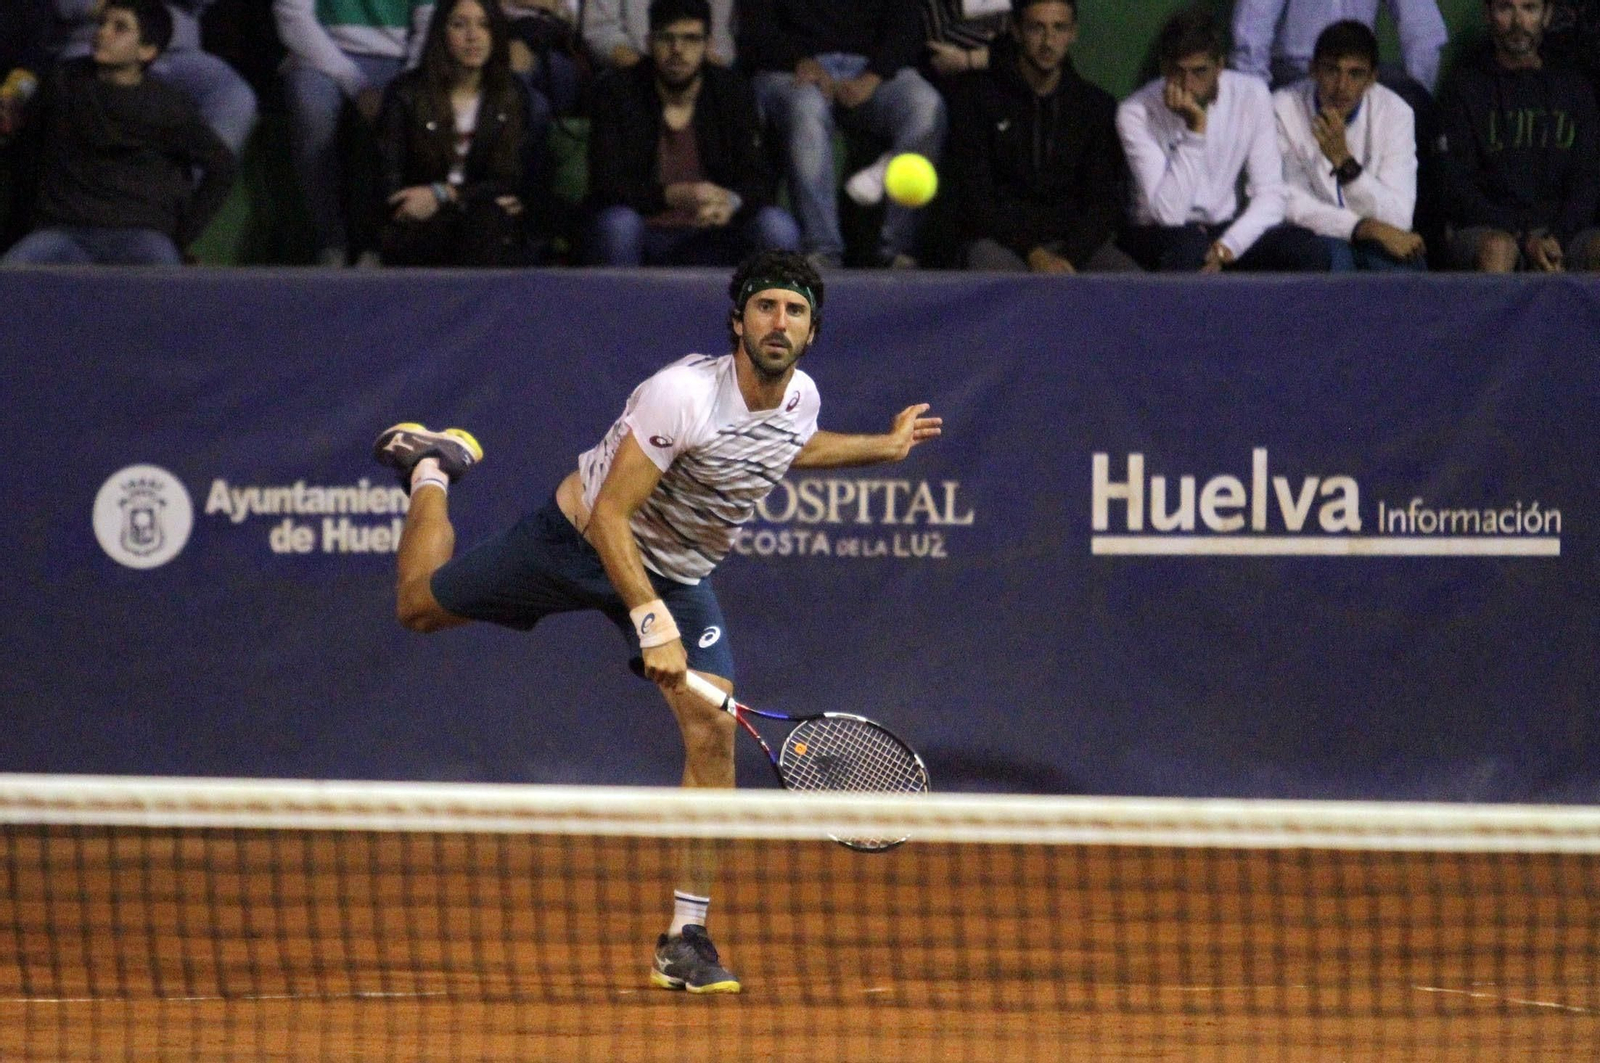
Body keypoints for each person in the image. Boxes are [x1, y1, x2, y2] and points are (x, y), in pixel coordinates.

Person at [371, 250, 941, 993]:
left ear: (811, 331)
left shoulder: (799, 398)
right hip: (577, 541)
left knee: (711, 731)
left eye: (794, 311)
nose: (779, 321)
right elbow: (612, 512)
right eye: (765, 306)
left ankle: (686, 934)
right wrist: (648, 619)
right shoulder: (682, 396)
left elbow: (788, 448)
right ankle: (431, 468)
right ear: (738, 321)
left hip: (680, 574)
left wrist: (882, 447)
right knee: (418, 607)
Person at [2, 0, 236, 265]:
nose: (103, 33)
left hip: (140, 236)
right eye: (102, 24)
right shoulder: (64, 83)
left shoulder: (167, 107)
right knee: (10, 280)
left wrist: (181, 237)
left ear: (147, 51)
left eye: (120, 28)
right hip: (63, 232)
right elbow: (29, 149)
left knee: (168, 293)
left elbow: (222, 166)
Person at [586, 0, 799, 266]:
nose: (677, 50)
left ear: (708, 45)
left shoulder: (731, 91)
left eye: (690, 39)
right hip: (646, 230)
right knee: (617, 226)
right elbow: (605, 184)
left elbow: (759, 177)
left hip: (716, 232)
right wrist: (671, 195)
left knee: (777, 227)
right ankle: (620, 308)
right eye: (667, 38)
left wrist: (731, 202)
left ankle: (765, 306)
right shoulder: (618, 91)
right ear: (649, 42)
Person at [1116, 7, 1329, 271]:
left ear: (1219, 66)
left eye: (1199, 71)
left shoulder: (1251, 95)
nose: (1188, 84)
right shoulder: (1135, 112)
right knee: (1188, 249)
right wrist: (1195, 130)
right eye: (1178, 71)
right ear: (1163, 67)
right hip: (1156, 232)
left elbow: (1271, 195)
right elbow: (1168, 214)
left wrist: (1229, 245)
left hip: (1221, 229)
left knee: (1308, 249)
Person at [739, 0, 947, 268]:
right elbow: (755, 30)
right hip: (790, 69)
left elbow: (907, 27)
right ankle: (823, 251)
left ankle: (897, 252)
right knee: (807, 108)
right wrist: (799, 60)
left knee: (925, 104)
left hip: (871, 69)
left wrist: (874, 75)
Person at [945, 0, 1134, 272]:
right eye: (1037, 28)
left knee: (1131, 286)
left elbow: (1103, 203)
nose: (1048, 42)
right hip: (1002, 244)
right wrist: (1031, 252)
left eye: (1059, 28)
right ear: (1017, 31)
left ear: (1073, 33)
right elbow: (975, 199)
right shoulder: (978, 99)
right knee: (992, 272)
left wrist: (1070, 258)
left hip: (1074, 246)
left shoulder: (1095, 106)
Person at [1437, 0, 1600, 271]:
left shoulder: (1574, 89)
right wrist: (1523, 239)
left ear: (1547, 16)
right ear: (1488, 14)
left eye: (1529, 8)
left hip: (1562, 233)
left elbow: (1588, 181)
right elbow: (1457, 187)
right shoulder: (1463, 89)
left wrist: (1556, 238)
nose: (1518, 22)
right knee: (1497, 249)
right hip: (1490, 231)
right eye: (1505, 8)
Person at [273, 0, 433, 266]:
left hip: (398, 57)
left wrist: (407, 83)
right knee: (313, 112)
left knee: (405, 112)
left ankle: (378, 241)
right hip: (320, 52)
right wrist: (356, 84)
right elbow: (291, 15)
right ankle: (332, 239)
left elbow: (430, 22)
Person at [375, 0, 531, 266]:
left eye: (484, 25)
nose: (473, 36)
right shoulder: (406, 94)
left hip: (483, 223)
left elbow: (511, 181)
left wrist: (442, 194)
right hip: (420, 224)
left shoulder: (511, 94)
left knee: (485, 222)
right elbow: (390, 182)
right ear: (440, 33)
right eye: (460, 25)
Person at [1274, 20, 1425, 269]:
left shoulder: (1396, 113)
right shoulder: (1281, 108)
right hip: (1305, 236)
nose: (1342, 86)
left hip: (1374, 234)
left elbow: (1399, 216)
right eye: (1332, 70)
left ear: (1372, 78)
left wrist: (1346, 165)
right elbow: (1286, 202)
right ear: (1313, 70)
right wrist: (1360, 227)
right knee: (1334, 255)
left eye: (1355, 74)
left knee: (1405, 261)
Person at [50, 0, 258, 157]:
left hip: (177, 53)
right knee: (85, 85)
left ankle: (178, 201)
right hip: (96, 43)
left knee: (232, 92)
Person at [1230, 0, 1449, 94]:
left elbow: (1425, 34)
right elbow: (1251, 33)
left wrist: (1403, 108)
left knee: (1408, 97)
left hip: (1360, 76)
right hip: (1296, 74)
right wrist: (1256, 104)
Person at [583, 0, 736, 70]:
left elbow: (722, 42)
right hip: (633, 69)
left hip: (702, 73)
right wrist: (646, 72)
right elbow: (601, 31)